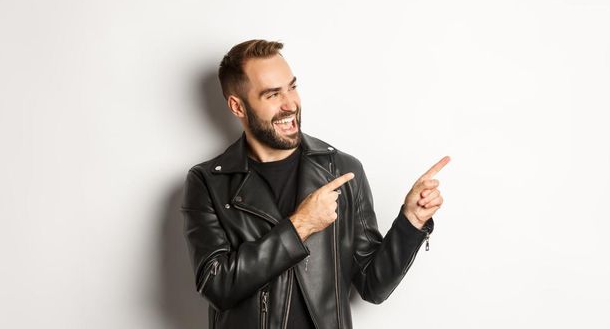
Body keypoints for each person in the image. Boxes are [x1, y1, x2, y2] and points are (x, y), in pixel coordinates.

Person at [180, 39, 450, 329]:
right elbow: (215, 284)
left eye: (292, 87)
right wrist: (301, 226)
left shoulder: (341, 170)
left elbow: (373, 286)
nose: (289, 104)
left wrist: (411, 223)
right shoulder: (209, 181)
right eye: (272, 94)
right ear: (238, 106)